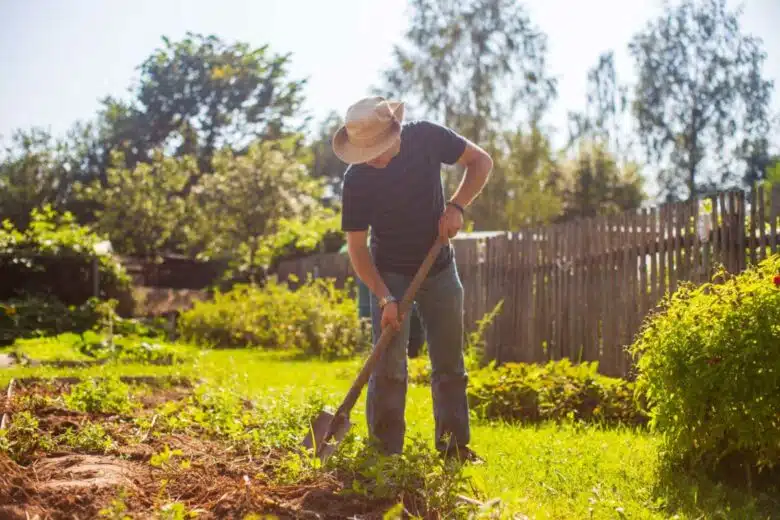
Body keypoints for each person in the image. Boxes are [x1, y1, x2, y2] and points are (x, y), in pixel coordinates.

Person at [332, 96, 493, 461]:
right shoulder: (357, 179)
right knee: (389, 367)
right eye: (362, 150)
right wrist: (385, 297)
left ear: (394, 132)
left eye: (375, 147)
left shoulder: (427, 138)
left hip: (438, 266)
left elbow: (481, 162)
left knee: (449, 361)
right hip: (388, 274)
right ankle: (385, 454)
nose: (370, 157)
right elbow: (357, 249)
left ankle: (454, 448)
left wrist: (456, 206)